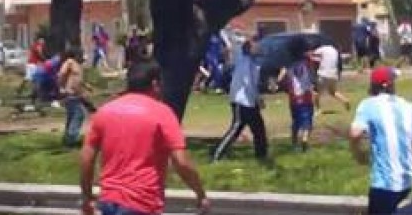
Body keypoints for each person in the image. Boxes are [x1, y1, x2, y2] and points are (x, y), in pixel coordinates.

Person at [80, 60, 210, 215]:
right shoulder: (162, 113)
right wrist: (200, 194)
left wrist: (87, 196)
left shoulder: (105, 112)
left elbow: (87, 158)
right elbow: (181, 162)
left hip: (108, 202)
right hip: (142, 203)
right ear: (155, 84)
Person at [350, 66, 412, 214]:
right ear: (389, 85)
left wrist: (359, 155)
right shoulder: (410, 107)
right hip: (407, 183)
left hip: (384, 184)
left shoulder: (368, 105)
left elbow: (355, 134)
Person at [211, 39, 268, 161]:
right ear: (249, 50)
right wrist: (258, 99)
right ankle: (216, 156)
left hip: (249, 102)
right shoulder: (245, 63)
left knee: (259, 129)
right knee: (235, 129)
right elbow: (249, 83)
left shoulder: (252, 63)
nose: (258, 49)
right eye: (255, 47)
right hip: (242, 101)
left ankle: (261, 155)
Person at [279, 51, 317, 152]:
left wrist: (284, 86)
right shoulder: (307, 63)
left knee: (296, 121)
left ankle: (294, 143)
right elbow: (312, 75)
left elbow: (280, 78)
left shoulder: (288, 65)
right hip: (306, 97)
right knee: (307, 121)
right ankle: (304, 140)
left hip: (293, 98)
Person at [59, 48, 91, 147]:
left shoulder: (78, 65)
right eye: (81, 55)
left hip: (76, 94)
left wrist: (86, 85)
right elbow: (62, 74)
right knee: (79, 114)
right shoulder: (70, 62)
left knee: (72, 116)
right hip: (70, 94)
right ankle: (72, 138)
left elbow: (78, 79)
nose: (83, 57)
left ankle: (67, 138)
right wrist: (62, 87)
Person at [312, 43, 351, 112]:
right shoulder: (335, 51)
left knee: (315, 92)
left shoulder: (322, 49)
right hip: (334, 74)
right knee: (333, 92)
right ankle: (345, 100)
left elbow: (313, 54)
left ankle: (318, 110)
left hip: (323, 74)